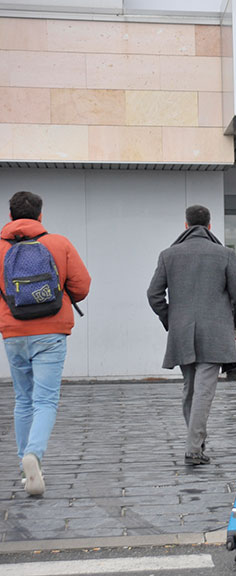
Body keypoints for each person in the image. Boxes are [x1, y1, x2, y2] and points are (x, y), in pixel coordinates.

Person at [1, 191, 91, 497]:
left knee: (23, 399)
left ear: (11, 216)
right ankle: (34, 456)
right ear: (40, 215)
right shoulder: (59, 243)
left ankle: (26, 470)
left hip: (13, 332)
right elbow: (82, 285)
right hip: (51, 330)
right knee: (45, 400)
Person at [147, 205, 236, 465]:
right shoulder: (224, 255)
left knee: (190, 389)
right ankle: (193, 448)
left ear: (185, 225)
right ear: (210, 226)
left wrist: (171, 319)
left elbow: (154, 295)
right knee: (203, 391)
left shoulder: (169, 255)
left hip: (182, 332)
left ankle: (196, 442)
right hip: (215, 332)